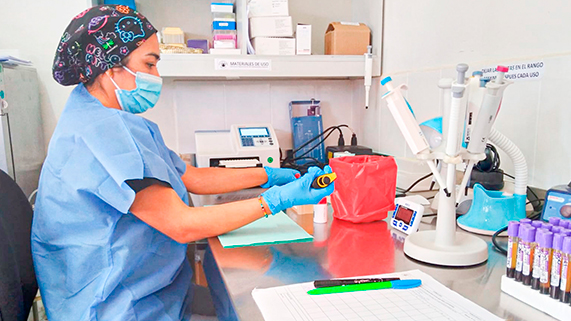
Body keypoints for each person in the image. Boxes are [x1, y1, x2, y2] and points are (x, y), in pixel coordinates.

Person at [31, 5, 334, 321]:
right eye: (149, 64)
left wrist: (270, 174)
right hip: (115, 307)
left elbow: (190, 176)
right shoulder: (105, 131)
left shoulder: (99, 119)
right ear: (110, 67)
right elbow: (182, 224)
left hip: (142, 292)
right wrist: (276, 200)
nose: (156, 77)